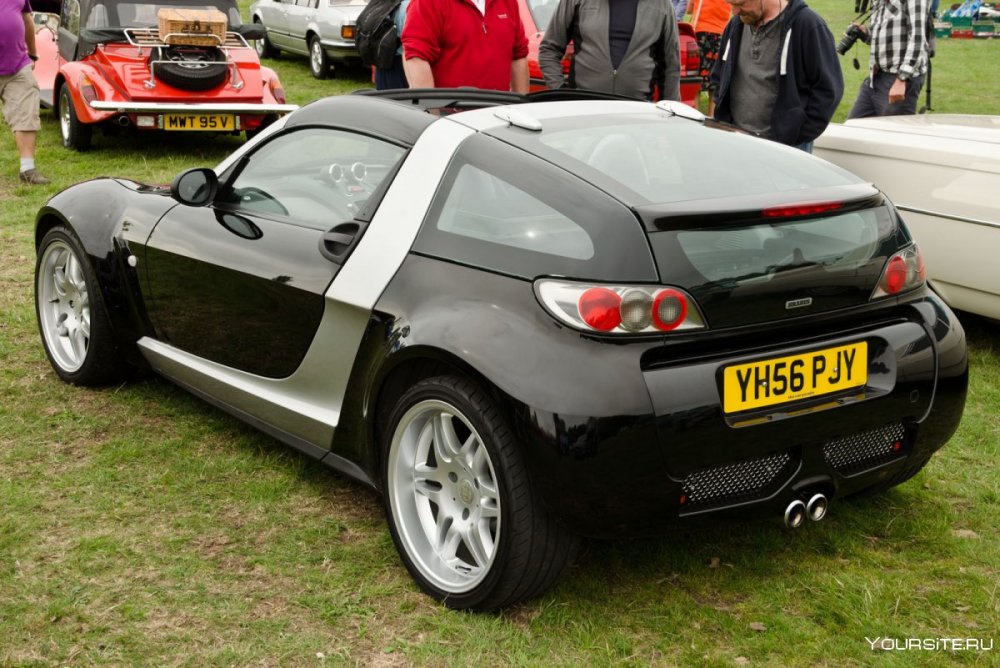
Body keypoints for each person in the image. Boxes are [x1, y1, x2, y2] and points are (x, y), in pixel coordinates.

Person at [709, 0, 843, 152]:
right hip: (737, 142)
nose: (735, 12)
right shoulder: (735, 25)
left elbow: (828, 89)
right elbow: (719, 75)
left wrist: (797, 133)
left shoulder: (808, 25)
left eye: (740, 4)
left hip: (787, 149)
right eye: (730, 4)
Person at [538, 0, 681, 101]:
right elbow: (549, 49)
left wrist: (670, 115)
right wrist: (560, 94)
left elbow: (671, 66)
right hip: (583, 111)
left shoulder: (662, 5)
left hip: (637, 114)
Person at [401, 0, 530, 93]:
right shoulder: (429, 3)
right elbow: (416, 57)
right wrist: (430, 113)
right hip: (450, 115)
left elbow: (518, 55)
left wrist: (521, 108)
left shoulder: (509, 3)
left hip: (498, 111)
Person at [846, 0, 931, 118]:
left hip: (899, 78)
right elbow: (883, 38)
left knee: (893, 132)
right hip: (875, 77)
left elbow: (917, 40)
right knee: (854, 126)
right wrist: (864, 33)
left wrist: (901, 79)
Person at [1, 0, 49, 185]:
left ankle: (27, 168)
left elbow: (27, 19)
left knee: (26, 112)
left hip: (17, 66)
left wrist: (33, 52)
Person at [688, 0, 730, 114]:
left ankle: (694, 112)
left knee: (696, 75)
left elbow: (689, 9)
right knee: (715, 78)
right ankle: (711, 115)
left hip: (700, 32)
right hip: (720, 34)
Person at [374, 0, 410, 89]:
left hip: (383, 59)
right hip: (401, 63)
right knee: (401, 101)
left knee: (385, 99)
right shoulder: (411, 5)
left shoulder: (386, 3)